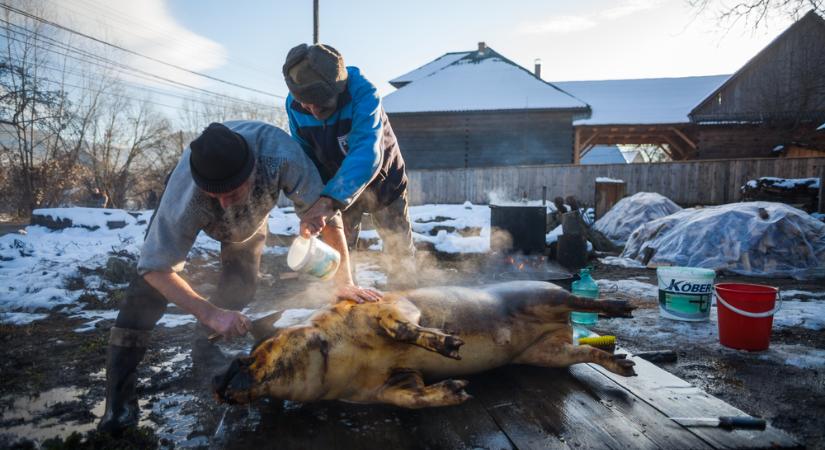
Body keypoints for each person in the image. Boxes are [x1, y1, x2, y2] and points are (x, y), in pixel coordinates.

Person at [97, 120, 380, 434]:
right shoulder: (185, 196)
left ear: (253, 171)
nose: (224, 203)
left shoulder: (282, 156)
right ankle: (118, 403)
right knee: (144, 299)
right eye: (215, 195)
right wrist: (210, 313)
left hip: (250, 222)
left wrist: (343, 281)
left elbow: (327, 214)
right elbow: (155, 268)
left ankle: (204, 347)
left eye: (231, 193)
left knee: (242, 286)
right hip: (192, 214)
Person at [282, 43, 415, 286]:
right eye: (306, 104)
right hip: (335, 186)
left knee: (399, 254)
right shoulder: (293, 104)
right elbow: (305, 157)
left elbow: (366, 153)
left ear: (338, 89)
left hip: (384, 182)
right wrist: (312, 203)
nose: (313, 110)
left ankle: (405, 296)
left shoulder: (363, 94)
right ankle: (344, 296)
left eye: (321, 103)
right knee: (337, 253)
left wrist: (329, 201)